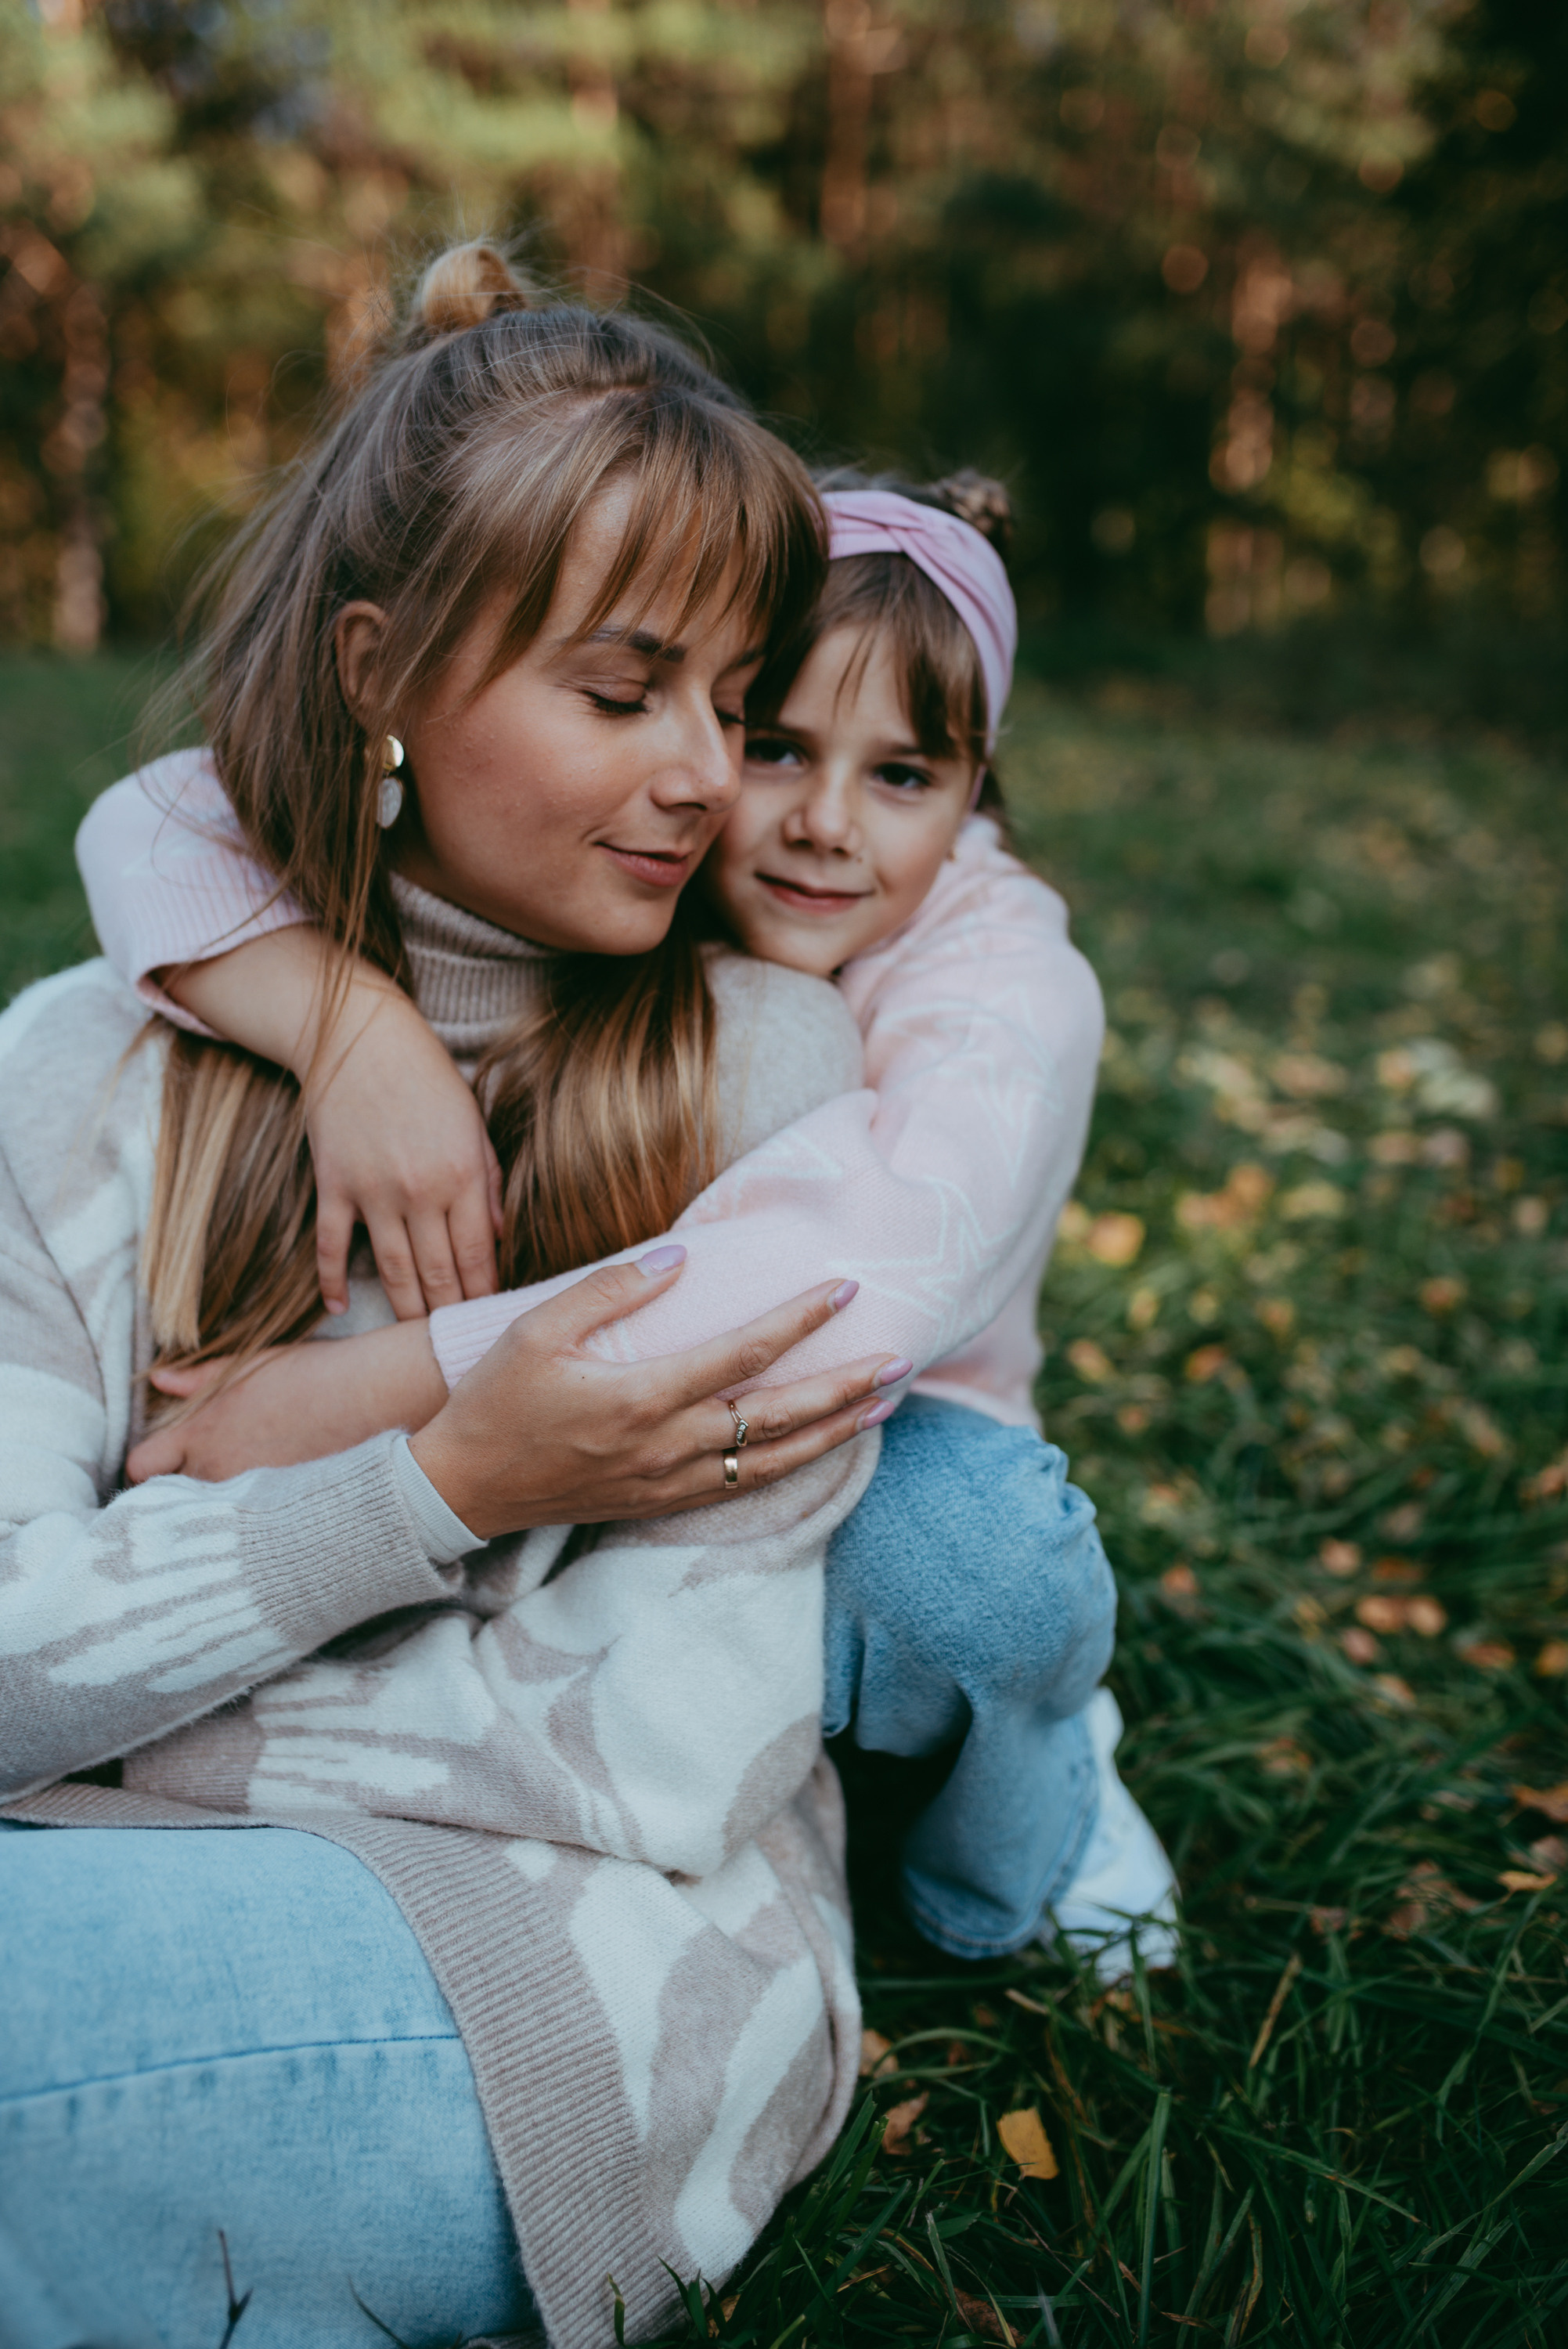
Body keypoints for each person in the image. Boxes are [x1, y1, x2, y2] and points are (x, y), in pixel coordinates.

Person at [0, 244, 922, 2349]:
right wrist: (446, 1505)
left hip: (569, 1986)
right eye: (622, 695)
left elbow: (658, 1759)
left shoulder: (775, 1083)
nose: (705, 775)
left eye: (734, 697)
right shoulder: (74, 1068)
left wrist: (381, 1502)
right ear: (374, 673)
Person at [79, 441, 1179, 1975]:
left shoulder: (1009, 991)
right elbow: (154, 819)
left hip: (872, 1440)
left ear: (975, 792)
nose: (819, 824)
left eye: (905, 775)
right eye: (772, 741)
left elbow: (837, 1287)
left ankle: (1013, 1858)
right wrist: (350, 1026)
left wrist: (375, 1388)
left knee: (974, 1568)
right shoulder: (649, 860)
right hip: (637, 1491)